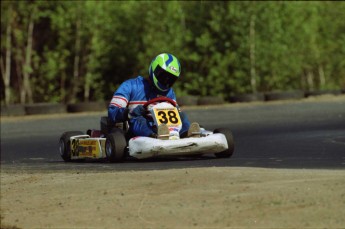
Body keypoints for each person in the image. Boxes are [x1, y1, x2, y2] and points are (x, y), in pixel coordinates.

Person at [108, 53, 200, 139]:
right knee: (139, 119)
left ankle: (186, 134)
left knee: (181, 116)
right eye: (163, 76)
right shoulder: (130, 86)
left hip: (163, 128)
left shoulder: (169, 92)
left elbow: (174, 114)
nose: (166, 81)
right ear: (155, 69)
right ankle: (154, 136)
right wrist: (130, 112)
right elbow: (112, 112)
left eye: (170, 79)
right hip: (135, 129)